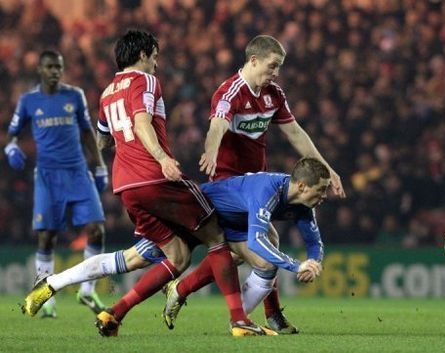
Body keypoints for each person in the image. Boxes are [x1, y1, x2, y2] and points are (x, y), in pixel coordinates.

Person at [22, 29, 277, 337]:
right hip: (155, 179)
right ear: (142, 55)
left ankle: (69, 291)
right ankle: (239, 320)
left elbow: (104, 140)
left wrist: (125, 146)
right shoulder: (146, 81)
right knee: (216, 235)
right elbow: (142, 121)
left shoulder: (106, 93)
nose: (156, 63)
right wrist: (161, 158)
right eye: (154, 56)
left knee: (167, 257)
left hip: (126, 187)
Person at [197, 34, 346, 333]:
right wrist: (210, 151)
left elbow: (295, 134)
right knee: (262, 246)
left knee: (248, 249)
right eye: (273, 65)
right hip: (229, 183)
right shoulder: (230, 92)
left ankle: (185, 290)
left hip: (257, 183)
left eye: (279, 67)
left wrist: (327, 170)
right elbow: (218, 124)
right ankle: (256, 316)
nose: (276, 72)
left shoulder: (274, 94)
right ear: (254, 60)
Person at [163, 157, 327, 330]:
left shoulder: (303, 205)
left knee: (263, 245)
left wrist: (313, 264)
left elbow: (314, 243)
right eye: (321, 189)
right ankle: (240, 320)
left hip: (237, 217)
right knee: (266, 262)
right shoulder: (269, 191)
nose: (324, 196)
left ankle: (181, 290)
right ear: (302, 186)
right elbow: (256, 241)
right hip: (209, 209)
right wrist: (297, 266)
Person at [6, 50, 109, 318]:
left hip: (77, 172)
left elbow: (88, 132)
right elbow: (12, 135)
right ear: (40, 69)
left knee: (97, 230)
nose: (55, 71)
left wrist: (99, 165)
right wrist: (11, 149)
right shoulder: (29, 101)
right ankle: (46, 296)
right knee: (47, 236)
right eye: (50, 66)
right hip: (48, 176)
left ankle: (87, 290)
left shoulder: (74, 96)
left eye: (59, 67)